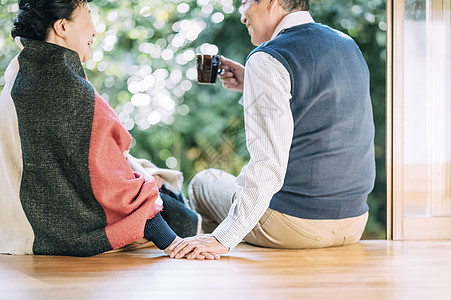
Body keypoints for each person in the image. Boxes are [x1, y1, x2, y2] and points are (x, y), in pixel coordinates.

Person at [0, 0, 211, 258]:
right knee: (169, 196)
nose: (94, 30)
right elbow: (113, 184)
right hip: (75, 239)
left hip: (19, 233)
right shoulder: (71, 91)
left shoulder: (17, 78)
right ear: (62, 26)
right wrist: (170, 241)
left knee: (149, 175)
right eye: (88, 16)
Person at [167, 0, 375, 259]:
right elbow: (323, 113)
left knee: (203, 182)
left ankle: (217, 255)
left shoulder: (268, 58)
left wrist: (225, 237)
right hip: (353, 223)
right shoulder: (347, 44)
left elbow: (268, 165)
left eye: (244, 3)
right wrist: (251, 84)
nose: (242, 16)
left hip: (294, 226)